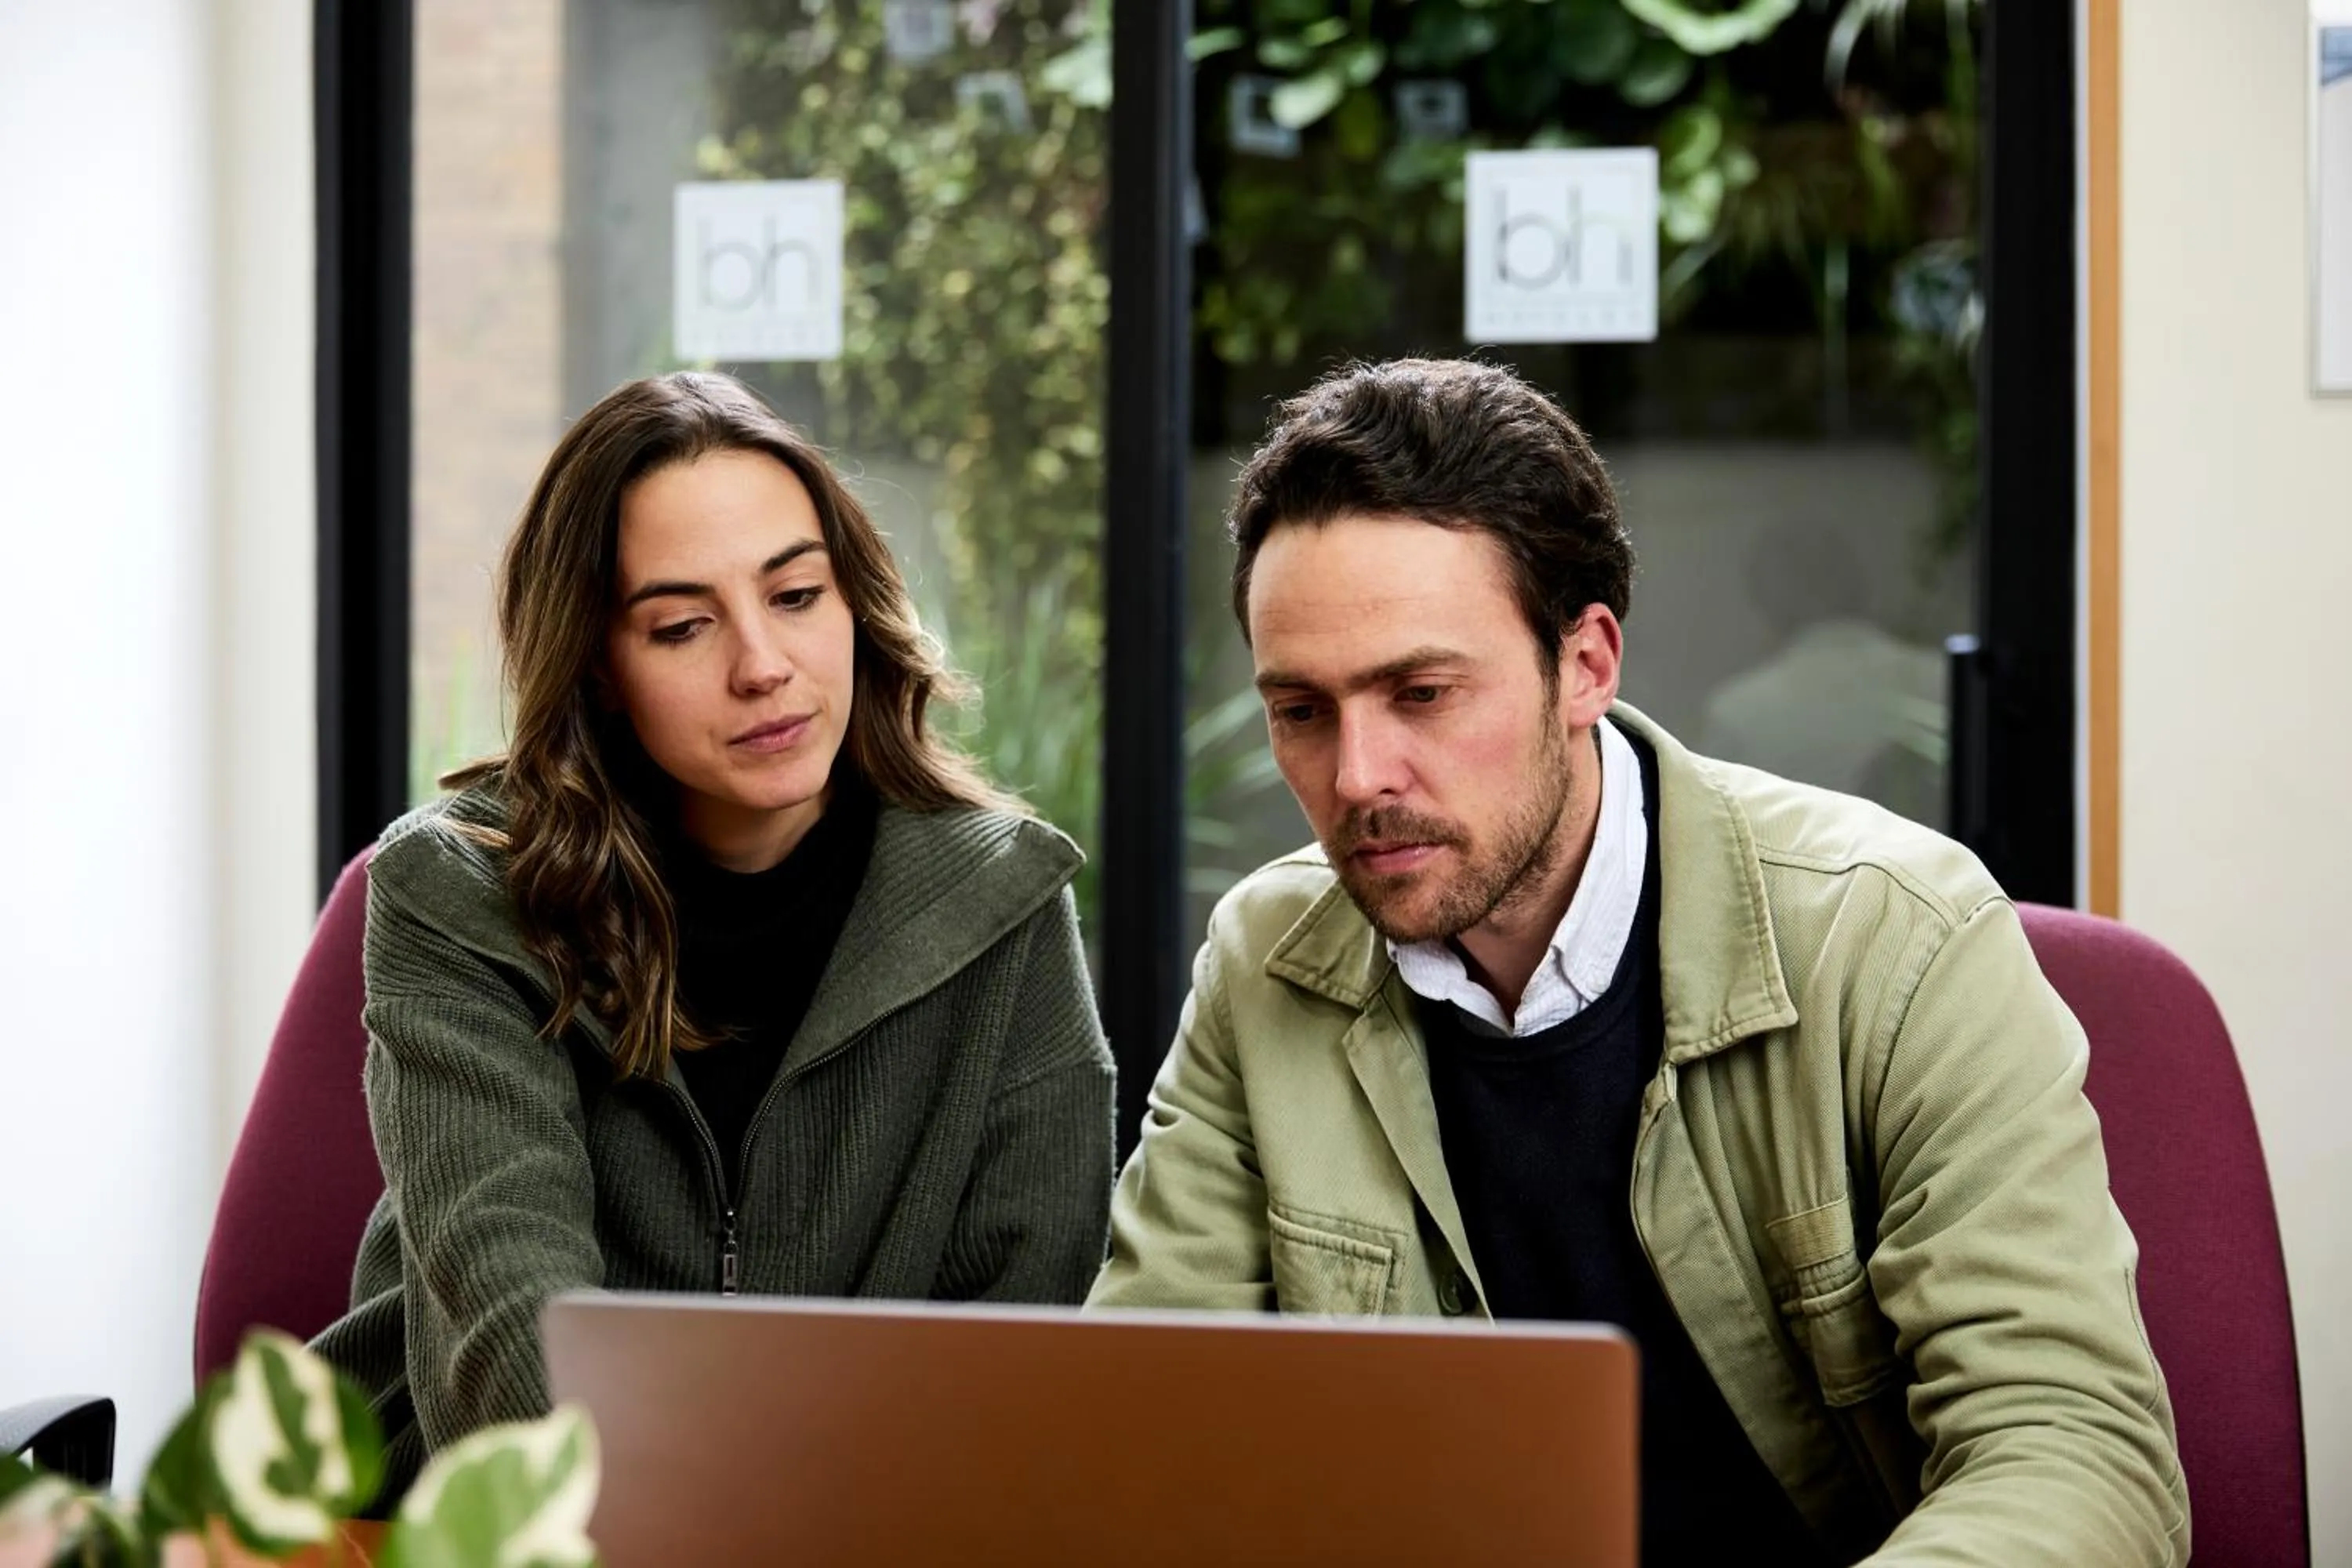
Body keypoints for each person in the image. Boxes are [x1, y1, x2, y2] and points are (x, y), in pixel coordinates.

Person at [1089, 359, 2186, 1565]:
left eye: (1423, 692)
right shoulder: (1267, 962)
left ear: (1588, 665)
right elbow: (1142, 1434)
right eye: (1301, 711)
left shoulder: (1898, 937)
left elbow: (2074, 1453)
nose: (1357, 777)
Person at [314, 372, 1114, 1505]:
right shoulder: (459, 894)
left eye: (796, 596)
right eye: (683, 625)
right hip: (475, 1516)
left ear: (856, 603)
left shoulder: (1006, 903)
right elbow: (515, 1344)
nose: (763, 666)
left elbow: (1021, 1353)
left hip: (871, 1529)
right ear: (599, 663)